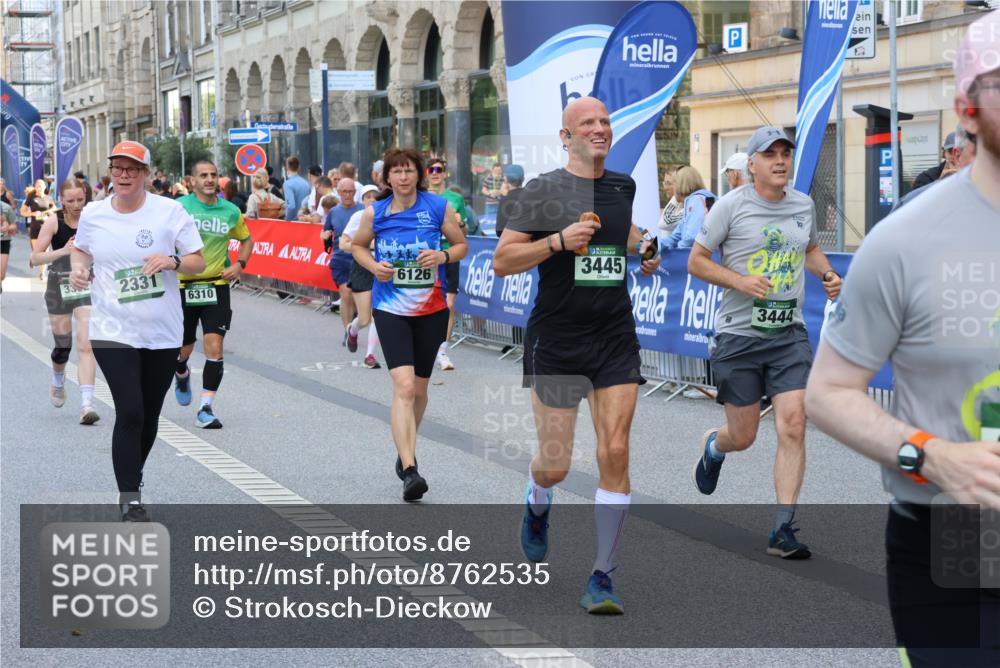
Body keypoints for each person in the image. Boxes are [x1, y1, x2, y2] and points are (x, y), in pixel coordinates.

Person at [807, 13, 1000, 665]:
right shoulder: (905, 241)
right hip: (959, 545)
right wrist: (931, 456)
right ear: (966, 110)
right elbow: (829, 392)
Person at [493, 96, 661, 615]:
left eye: (605, 122)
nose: (599, 129)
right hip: (559, 340)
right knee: (557, 465)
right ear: (565, 137)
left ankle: (603, 576)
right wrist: (558, 242)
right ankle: (537, 501)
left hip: (614, 335)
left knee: (615, 450)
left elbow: (621, 229)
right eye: (587, 123)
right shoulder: (541, 191)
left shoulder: (622, 185)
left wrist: (644, 247)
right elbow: (502, 260)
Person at [687, 125, 842, 559]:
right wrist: (739, 280)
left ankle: (782, 529)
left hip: (788, 332)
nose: (779, 161)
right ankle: (714, 447)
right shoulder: (730, 207)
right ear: (751, 164)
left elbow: (809, 249)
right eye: (769, 154)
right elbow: (697, 263)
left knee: (793, 422)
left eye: (785, 154)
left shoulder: (803, 204)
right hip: (739, 336)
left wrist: (827, 274)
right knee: (745, 434)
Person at [68, 140, 205, 522]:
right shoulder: (94, 213)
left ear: (146, 174)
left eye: (132, 169)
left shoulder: (170, 211)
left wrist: (172, 260)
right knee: (129, 410)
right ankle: (130, 497)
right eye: (118, 169)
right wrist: (80, 267)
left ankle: (133, 474)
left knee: (148, 415)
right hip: (112, 328)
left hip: (161, 330)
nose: (124, 175)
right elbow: (81, 249)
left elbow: (198, 261)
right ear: (110, 173)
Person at [350, 148, 467, 501]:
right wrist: (373, 267)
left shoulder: (437, 207)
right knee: (403, 387)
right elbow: (357, 247)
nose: (403, 177)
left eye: (409, 171)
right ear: (387, 178)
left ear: (418, 175)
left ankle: (404, 448)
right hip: (391, 308)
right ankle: (410, 468)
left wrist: (442, 255)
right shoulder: (376, 212)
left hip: (431, 309)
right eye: (396, 172)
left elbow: (461, 245)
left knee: (419, 390)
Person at [173, 159, 253, 429]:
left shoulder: (230, 210)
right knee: (183, 347)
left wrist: (239, 265)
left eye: (213, 175)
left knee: (214, 345)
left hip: (215, 286)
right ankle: (181, 371)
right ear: (192, 181)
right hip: (183, 286)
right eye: (203, 175)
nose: (209, 179)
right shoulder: (180, 207)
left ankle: (206, 407)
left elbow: (246, 240)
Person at [29, 178, 99, 423]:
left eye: (81, 199)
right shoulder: (54, 221)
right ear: (61, 200)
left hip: (86, 286)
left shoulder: (94, 221)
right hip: (58, 287)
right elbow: (34, 259)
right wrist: (64, 251)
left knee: (86, 345)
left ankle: (86, 405)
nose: (77, 205)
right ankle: (58, 379)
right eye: (71, 201)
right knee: (63, 347)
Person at [425, 158, 470, 371]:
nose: (434, 173)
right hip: (427, 255)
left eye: (438, 170)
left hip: (449, 253)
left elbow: (465, 231)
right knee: (426, 302)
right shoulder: (420, 197)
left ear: (445, 174)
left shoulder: (456, 199)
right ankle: (424, 343)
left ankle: (442, 351)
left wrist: (460, 223)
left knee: (449, 304)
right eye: (431, 169)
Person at [341, 184, 382, 369]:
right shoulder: (358, 216)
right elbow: (343, 243)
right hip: (362, 267)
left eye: (375, 196)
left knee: (377, 315)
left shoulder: (386, 216)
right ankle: (352, 329)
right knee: (364, 319)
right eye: (368, 197)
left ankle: (370, 356)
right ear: (362, 200)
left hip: (382, 268)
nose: (372, 199)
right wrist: (364, 246)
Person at [322, 178, 364, 344]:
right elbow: (326, 230)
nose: (348, 195)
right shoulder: (334, 212)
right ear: (338, 192)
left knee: (355, 296)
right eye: (344, 191)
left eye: (351, 191)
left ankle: (353, 325)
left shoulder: (362, 210)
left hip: (359, 259)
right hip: (340, 259)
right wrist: (324, 235)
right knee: (346, 294)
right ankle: (348, 331)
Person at [898, 123, 978, 208]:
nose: (954, 156)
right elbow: (913, 205)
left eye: (961, 151)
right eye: (950, 151)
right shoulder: (927, 177)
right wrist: (939, 182)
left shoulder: (975, 175)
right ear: (944, 153)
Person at [661, 165, 716, 250]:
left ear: (681, 184)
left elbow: (691, 239)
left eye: (674, 183)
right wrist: (651, 247)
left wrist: (678, 250)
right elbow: (674, 237)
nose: (672, 188)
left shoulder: (697, 201)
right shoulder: (693, 201)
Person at [657, 165, 685, 237]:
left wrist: (677, 194)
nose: (665, 188)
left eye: (668, 183)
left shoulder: (688, 206)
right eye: (664, 183)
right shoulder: (675, 204)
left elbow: (663, 224)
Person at [281, 156, 310, 221]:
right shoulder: (306, 183)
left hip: (294, 221)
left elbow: (291, 206)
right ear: (299, 167)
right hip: (305, 220)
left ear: (287, 167)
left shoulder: (287, 184)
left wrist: (287, 219)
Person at [1, 183, 16, 292]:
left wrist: (7, 228)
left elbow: (14, 226)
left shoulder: (6, 208)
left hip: (3, 241)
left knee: (1, 275)